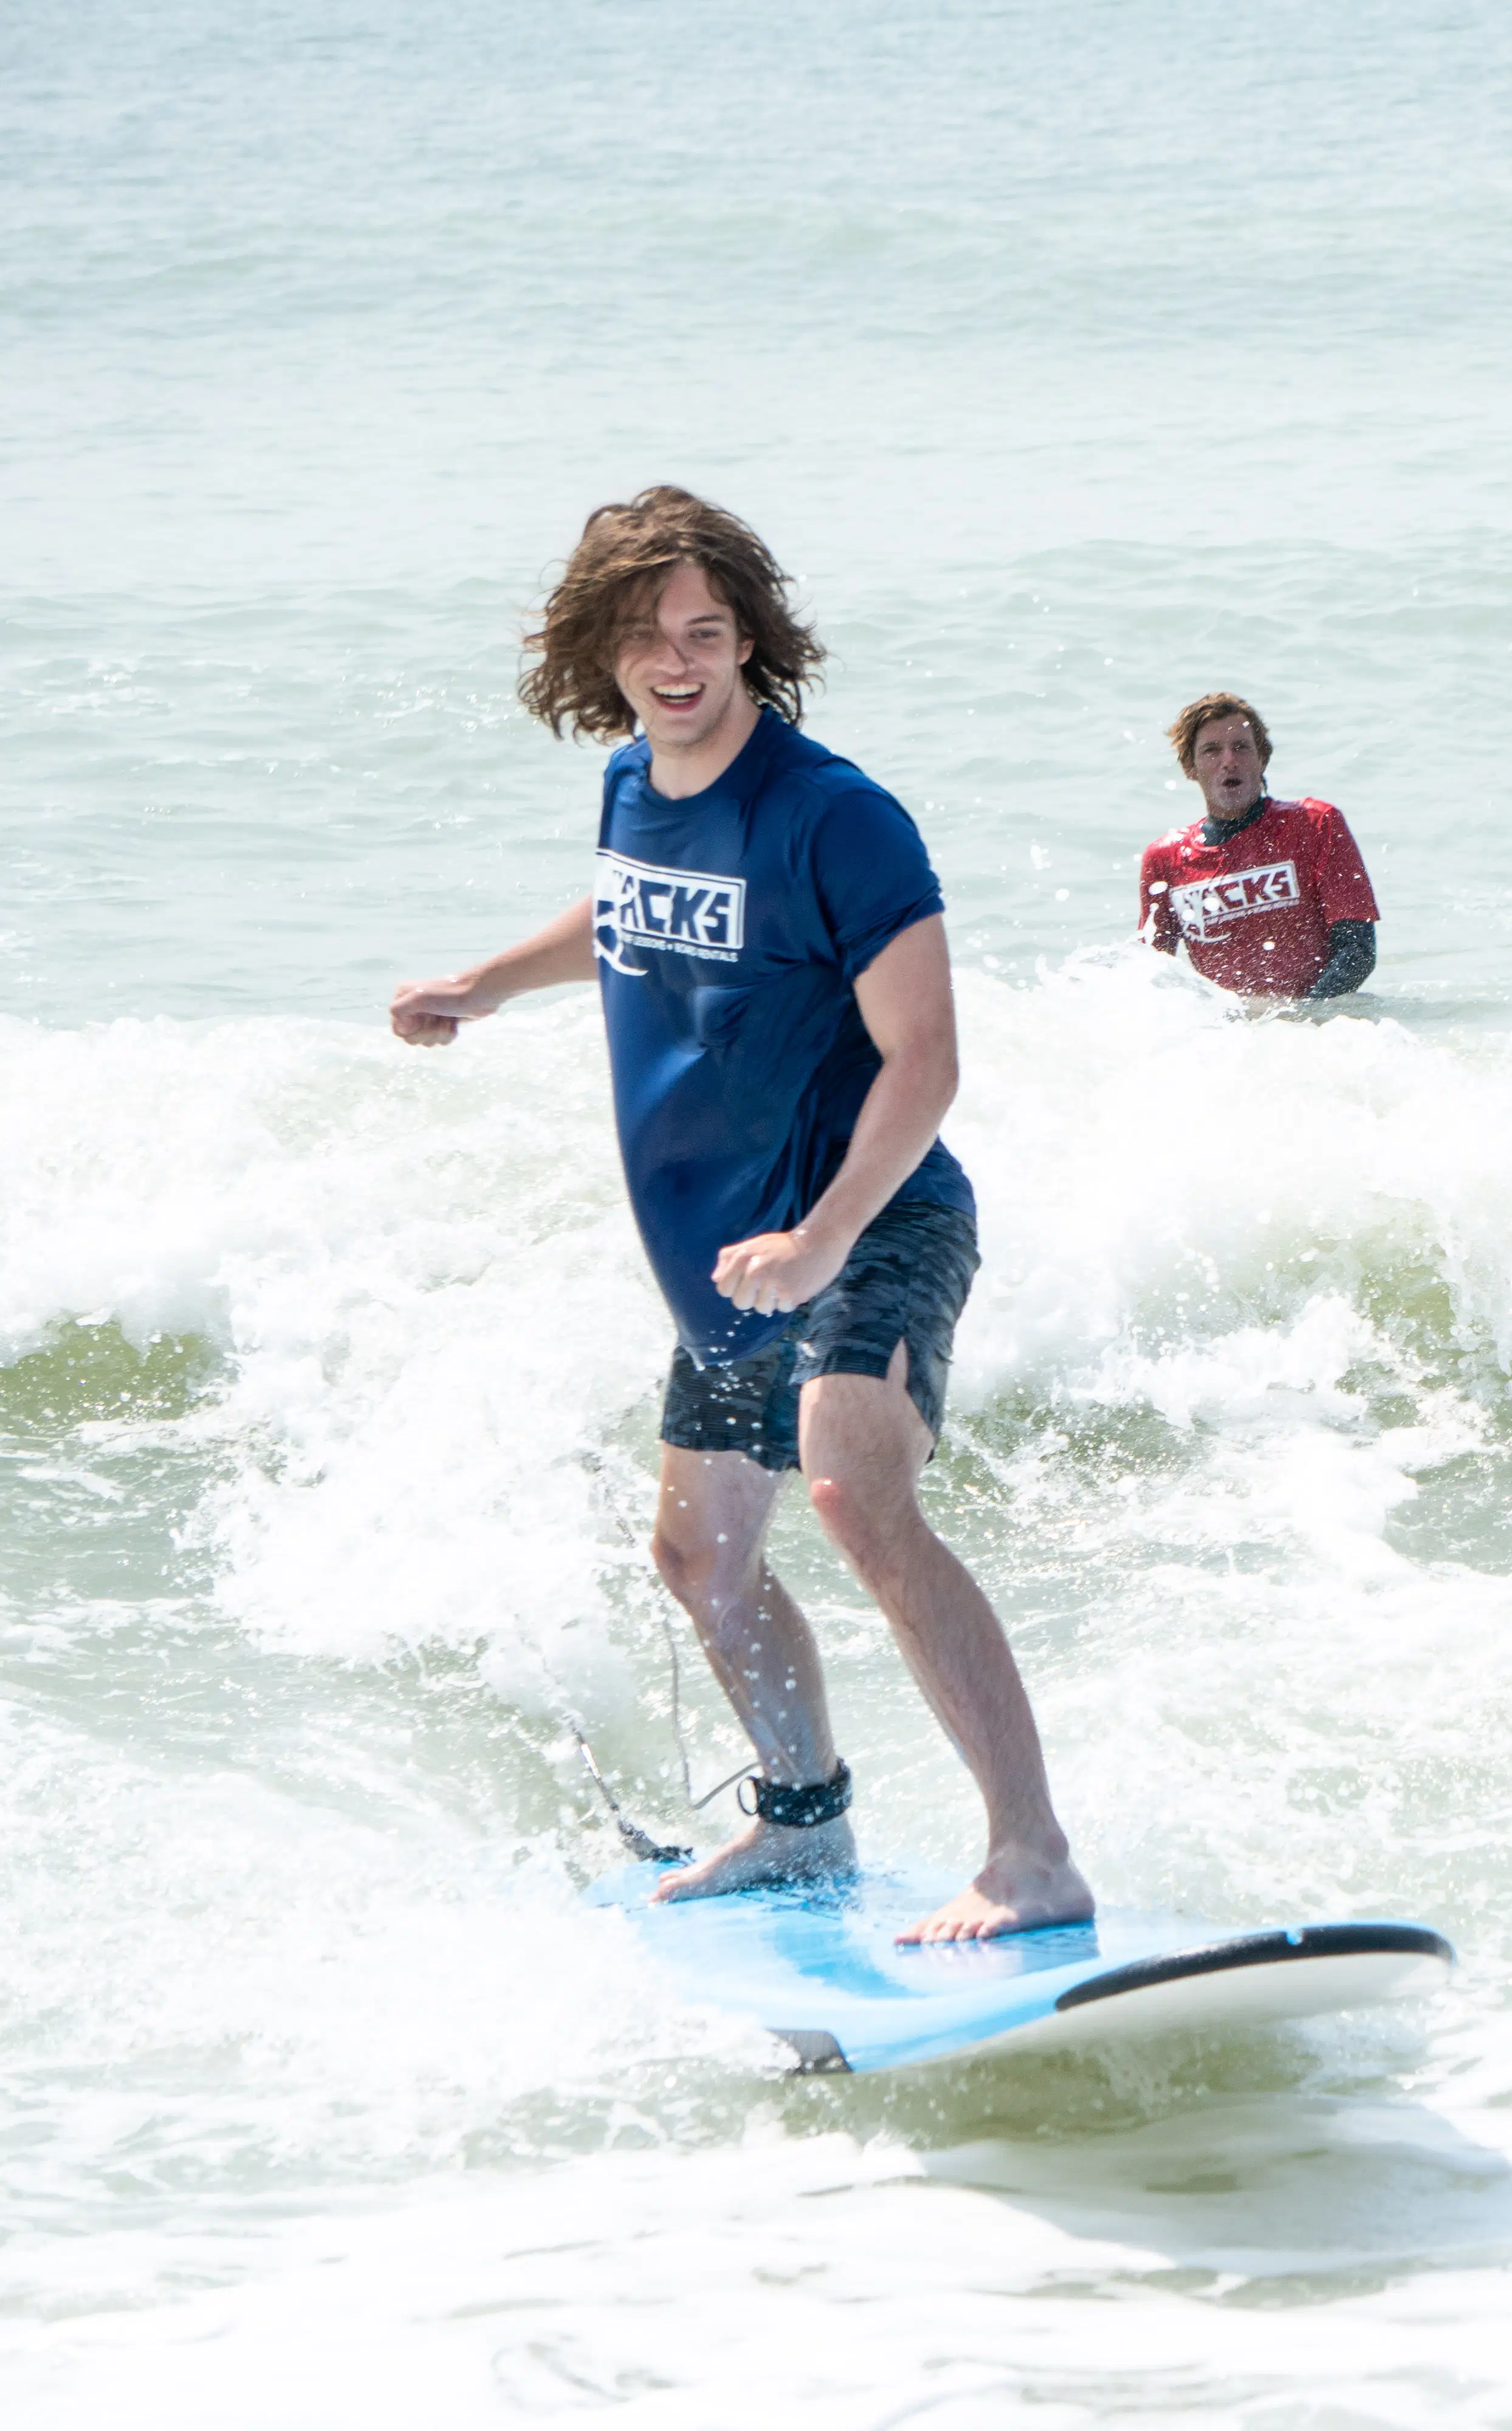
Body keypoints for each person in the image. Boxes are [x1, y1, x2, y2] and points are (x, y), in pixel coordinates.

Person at [388, 486, 1091, 1942]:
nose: (680, 661)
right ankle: (803, 1822)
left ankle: (1030, 1850)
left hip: (869, 1218)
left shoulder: (836, 816)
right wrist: (479, 985)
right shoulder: (634, 782)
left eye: (708, 631)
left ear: (753, 639)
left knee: (850, 1485)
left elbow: (928, 1056)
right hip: (728, 1251)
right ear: (602, 651)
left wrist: (830, 1236)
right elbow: (627, 914)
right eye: (648, 637)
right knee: (700, 1554)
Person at [1138, 692, 1380, 999]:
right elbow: (1152, 976)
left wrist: (1300, 1020)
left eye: (1241, 747)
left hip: (1317, 1030)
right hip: (1232, 1035)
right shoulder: (1165, 859)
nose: (1229, 761)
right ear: (1190, 767)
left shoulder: (1316, 824)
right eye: (1212, 751)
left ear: (1262, 759)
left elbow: (1358, 952)